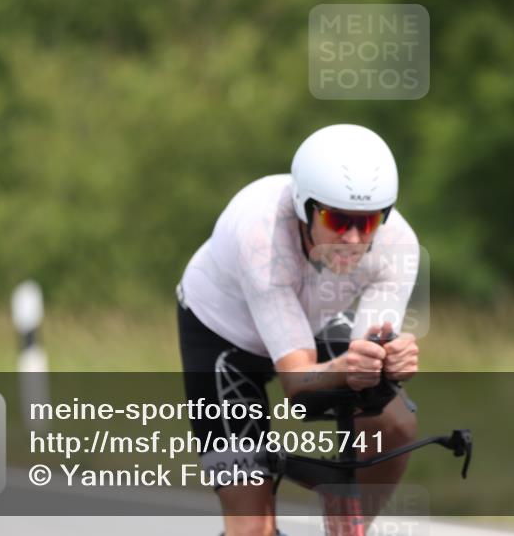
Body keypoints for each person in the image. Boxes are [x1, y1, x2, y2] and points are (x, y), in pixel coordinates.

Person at [177, 124, 421, 536]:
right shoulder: (262, 234)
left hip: (313, 322)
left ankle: (344, 518)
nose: (355, 238)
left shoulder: (398, 244)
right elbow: (299, 379)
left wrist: (388, 361)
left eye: (369, 220)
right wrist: (352, 365)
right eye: (338, 220)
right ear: (304, 206)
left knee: (395, 422)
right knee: (251, 529)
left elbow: (365, 361)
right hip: (223, 337)